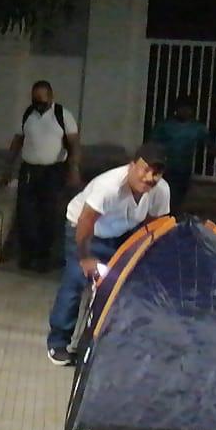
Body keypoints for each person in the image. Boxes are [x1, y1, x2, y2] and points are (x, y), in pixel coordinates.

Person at [46, 143, 171, 365]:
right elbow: (86, 220)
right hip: (86, 230)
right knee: (77, 280)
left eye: (156, 172)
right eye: (145, 169)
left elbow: (155, 226)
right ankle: (58, 342)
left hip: (122, 232)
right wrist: (84, 257)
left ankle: (104, 343)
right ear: (132, 166)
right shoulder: (109, 186)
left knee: (120, 285)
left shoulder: (160, 190)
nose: (149, 177)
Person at [0, 81, 81, 271]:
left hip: (53, 171)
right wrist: (7, 168)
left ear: (51, 97)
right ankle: (28, 257)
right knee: (26, 214)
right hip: (29, 170)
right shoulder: (28, 114)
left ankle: (46, 258)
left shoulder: (62, 115)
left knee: (50, 215)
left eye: (42, 99)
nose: (38, 103)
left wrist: (74, 170)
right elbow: (17, 141)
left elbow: (74, 144)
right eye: (35, 99)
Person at [147, 97, 216, 211]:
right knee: (163, 197)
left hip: (184, 169)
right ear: (176, 109)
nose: (184, 111)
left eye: (187, 108)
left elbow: (210, 145)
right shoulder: (165, 126)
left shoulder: (197, 128)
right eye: (182, 108)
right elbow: (152, 144)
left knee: (177, 199)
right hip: (165, 168)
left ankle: (171, 220)